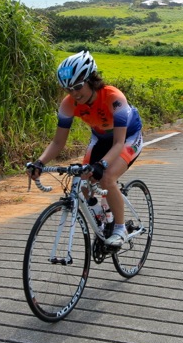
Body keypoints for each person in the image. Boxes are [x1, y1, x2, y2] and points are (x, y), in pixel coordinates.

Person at [27, 51, 143, 248]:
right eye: (68, 89)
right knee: (81, 182)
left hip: (127, 139)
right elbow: (58, 142)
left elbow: (118, 143)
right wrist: (40, 162)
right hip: (100, 138)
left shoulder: (114, 98)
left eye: (78, 87)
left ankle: (120, 227)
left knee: (106, 177)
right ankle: (104, 218)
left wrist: (101, 164)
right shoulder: (68, 104)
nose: (74, 94)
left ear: (91, 80)